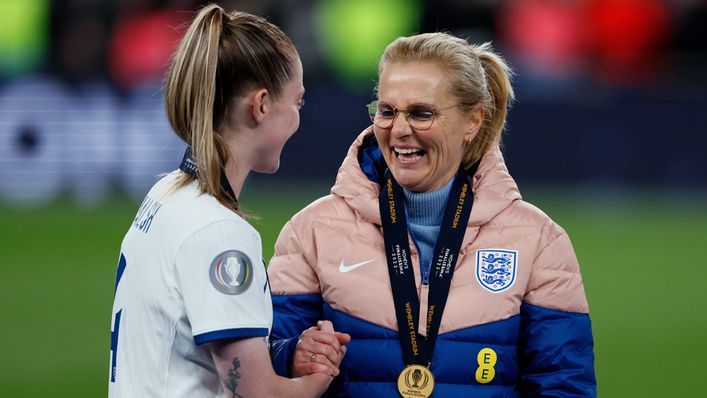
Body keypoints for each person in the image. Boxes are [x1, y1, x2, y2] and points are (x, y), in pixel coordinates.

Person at [268, 32, 596, 397]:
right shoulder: (311, 230)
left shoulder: (538, 241)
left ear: (473, 121)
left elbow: (564, 385)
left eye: (421, 113)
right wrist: (291, 355)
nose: (400, 130)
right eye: (387, 111)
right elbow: (259, 362)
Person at [108, 5, 348, 397]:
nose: (298, 119)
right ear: (262, 105)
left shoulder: (167, 194)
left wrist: (287, 355)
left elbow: (201, 346)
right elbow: (258, 393)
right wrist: (320, 378)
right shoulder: (220, 231)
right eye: (297, 103)